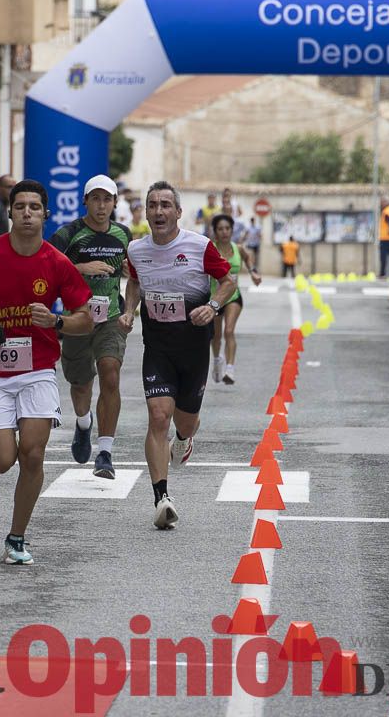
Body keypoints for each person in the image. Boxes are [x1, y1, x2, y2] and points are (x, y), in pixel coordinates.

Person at [0, 180, 93, 565]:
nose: (27, 213)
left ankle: (16, 536)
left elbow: (86, 319)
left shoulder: (56, 263)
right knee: (1, 461)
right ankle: (14, 526)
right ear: (10, 212)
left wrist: (57, 321)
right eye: (21, 206)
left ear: (45, 214)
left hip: (38, 369)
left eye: (35, 207)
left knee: (33, 453)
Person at [121, 181, 235, 530]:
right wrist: (129, 311)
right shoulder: (137, 250)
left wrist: (213, 306)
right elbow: (135, 283)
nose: (158, 211)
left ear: (178, 212)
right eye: (153, 205)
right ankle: (161, 497)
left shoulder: (200, 247)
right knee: (158, 416)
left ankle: (184, 440)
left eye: (166, 205)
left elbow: (228, 282)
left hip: (194, 346)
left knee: (184, 422)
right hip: (158, 346)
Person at [49, 175, 131, 480]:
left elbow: (133, 276)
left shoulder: (123, 234)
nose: (101, 205)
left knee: (110, 373)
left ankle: (105, 453)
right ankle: (83, 425)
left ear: (114, 203)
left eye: (107, 199)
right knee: (81, 383)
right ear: (85, 202)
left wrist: (130, 302)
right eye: (95, 199)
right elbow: (46, 266)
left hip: (110, 317)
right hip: (78, 318)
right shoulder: (68, 234)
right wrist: (80, 268)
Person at [209, 214, 262, 385]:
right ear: (215, 232)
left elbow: (248, 258)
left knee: (229, 331)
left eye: (227, 228)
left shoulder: (238, 248)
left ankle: (230, 369)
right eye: (220, 229)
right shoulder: (210, 249)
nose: (224, 232)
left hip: (233, 297)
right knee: (216, 336)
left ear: (232, 230)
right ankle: (217, 360)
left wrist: (253, 272)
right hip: (215, 298)